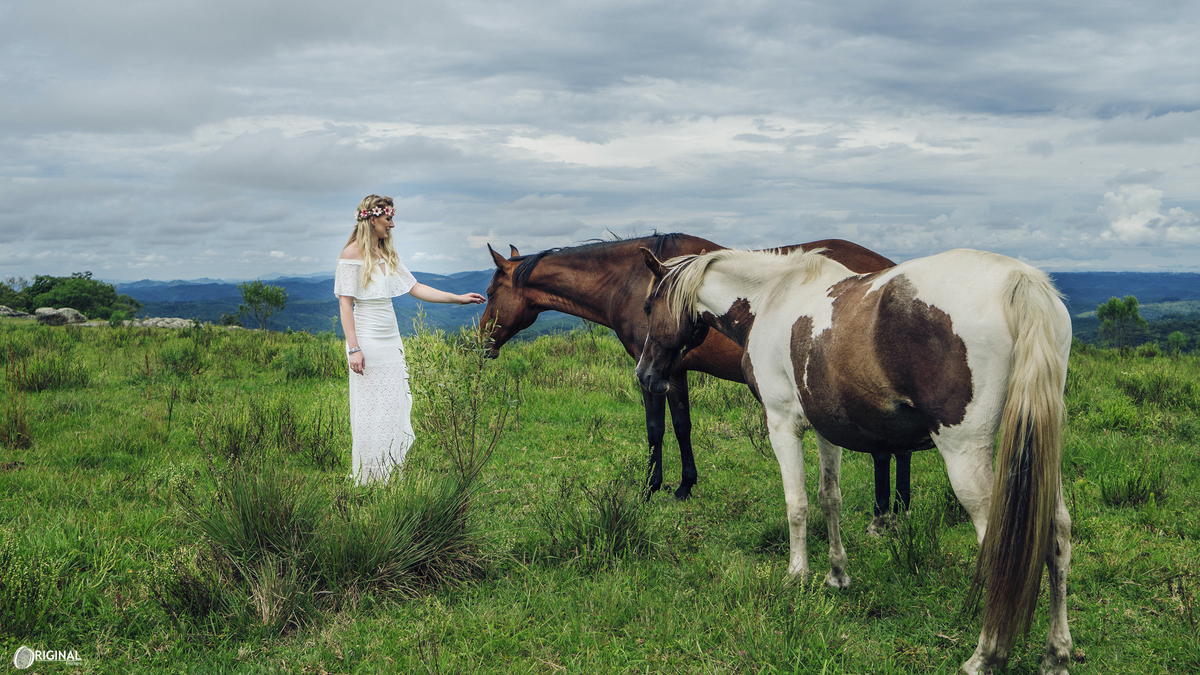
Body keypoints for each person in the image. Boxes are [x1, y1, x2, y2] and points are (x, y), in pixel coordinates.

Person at [335, 194, 485, 484]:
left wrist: (457, 299)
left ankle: (390, 470)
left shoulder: (387, 254)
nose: (392, 225)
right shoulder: (352, 254)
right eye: (388, 219)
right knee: (369, 409)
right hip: (366, 339)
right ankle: (368, 476)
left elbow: (414, 287)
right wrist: (354, 348)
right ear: (372, 219)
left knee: (393, 404)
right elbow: (345, 304)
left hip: (391, 340)